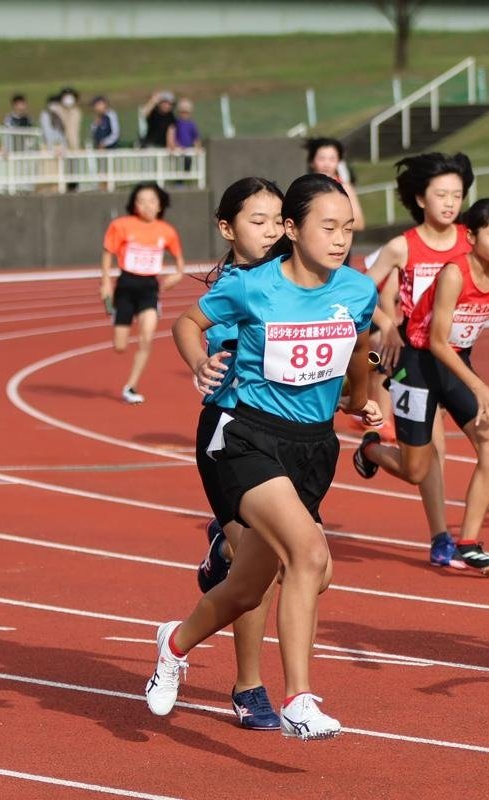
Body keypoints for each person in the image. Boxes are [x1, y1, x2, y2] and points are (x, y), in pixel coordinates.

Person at [150, 173, 381, 740]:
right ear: (292, 229)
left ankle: (174, 643)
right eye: (327, 227)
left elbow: (357, 350)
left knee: (258, 583)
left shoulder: (357, 290)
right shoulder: (253, 286)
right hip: (244, 433)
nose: (340, 238)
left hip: (312, 447)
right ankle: (298, 698)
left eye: (348, 228)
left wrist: (360, 401)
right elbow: (188, 321)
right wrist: (197, 364)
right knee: (307, 552)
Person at [355, 199, 489, 576]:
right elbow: (436, 341)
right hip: (415, 367)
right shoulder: (454, 274)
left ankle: (468, 543)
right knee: (416, 470)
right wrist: (480, 387)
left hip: (454, 365)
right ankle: (370, 451)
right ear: (472, 236)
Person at [191, 176, 287, 731]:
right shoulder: (236, 288)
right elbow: (194, 328)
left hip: (287, 435)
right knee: (264, 559)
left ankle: (220, 555)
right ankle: (249, 686)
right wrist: (198, 364)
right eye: (258, 221)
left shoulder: (297, 278)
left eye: (278, 220)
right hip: (230, 431)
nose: (272, 231)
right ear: (228, 228)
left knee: (294, 565)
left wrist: (364, 386)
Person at [359, 151, 476, 570]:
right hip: (413, 361)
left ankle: (449, 535)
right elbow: (360, 291)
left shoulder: (472, 239)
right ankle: (439, 532)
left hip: (458, 357)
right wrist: (386, 323)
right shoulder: (400, 247)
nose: (449, 202)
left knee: (476, 441)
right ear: (420, 198)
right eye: (440, 194)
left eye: (457, 195)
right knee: (426, 458)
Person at [99, 182, 186, 404]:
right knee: (120, 346)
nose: (147, 205)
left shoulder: (167, 231)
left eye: (152, 200)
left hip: (149, 288)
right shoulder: (121, 225)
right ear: (134, 204)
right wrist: (106, 282)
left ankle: (131, 386)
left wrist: (177, 275)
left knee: (146, 338)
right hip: (126, 286)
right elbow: (108, 253)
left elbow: (179, 264)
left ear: (160, 205)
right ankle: (118, 317)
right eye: (141, 200)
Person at [306, 137, 364, 231]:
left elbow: (359, 223)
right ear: (312, 162)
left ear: (339, 162)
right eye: (322, 158)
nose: (327, 164)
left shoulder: (346, 189)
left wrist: (329, 225)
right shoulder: (304, 189)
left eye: (332, 159)